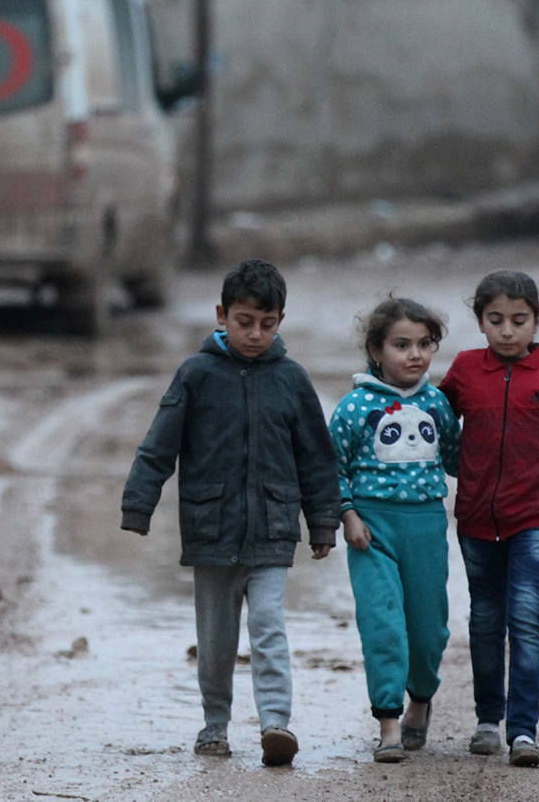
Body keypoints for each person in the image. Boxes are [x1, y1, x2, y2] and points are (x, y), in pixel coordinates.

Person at [121, 259, 342, 767]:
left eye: (268, 324)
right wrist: (139, 504)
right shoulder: (196, 374)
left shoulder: (291, 379)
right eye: (245, 322)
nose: (255, 334)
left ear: (281, 320)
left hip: (273, 527)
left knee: (268, 625)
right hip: (211, 530)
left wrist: (323, 520)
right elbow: (160, 445)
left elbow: (316, 456)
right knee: (216, 638)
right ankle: (214, 724)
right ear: (222, 314)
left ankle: (275, 724)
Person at [438, 270, 539, 768]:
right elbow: (434, 425)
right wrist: (452, 465)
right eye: (496, 320)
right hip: (476, 522)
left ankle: (523, 731)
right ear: (480, 322)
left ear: (536, 321)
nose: (508, 331)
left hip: (537, 520)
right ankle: (488, 720)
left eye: (519, 320)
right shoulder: (464, 371)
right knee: (485, 620)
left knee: (526, 619)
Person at [328, 297, 459, 763]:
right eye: (402, 345)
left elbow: (460, 458)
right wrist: (347, 516)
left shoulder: (438, 403)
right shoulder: (355, 406)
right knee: (382, 624)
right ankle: (387, 722)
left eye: (425, 344)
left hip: (425, 526)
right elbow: (333, 466)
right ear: (376, 350)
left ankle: (420, 701)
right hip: (372, 530)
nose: (415, 355)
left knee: (429, 630)